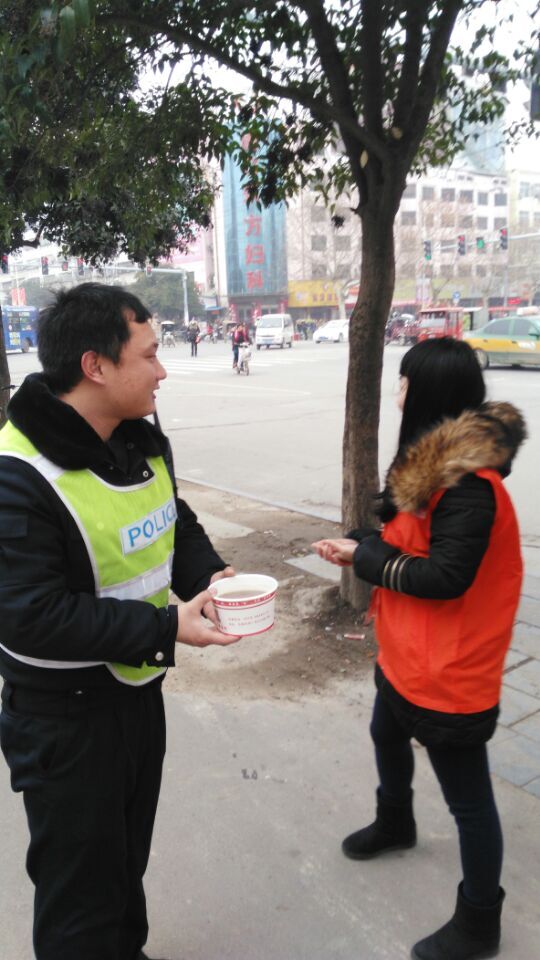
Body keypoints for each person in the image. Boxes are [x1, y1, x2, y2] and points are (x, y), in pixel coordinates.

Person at [0, 283, 242, 960]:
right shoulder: (18, 474)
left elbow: (172, 518)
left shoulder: (136, 438)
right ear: (96, 366)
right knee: (80, 895)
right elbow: (26, 614)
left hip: (136, 693)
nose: (164, 370)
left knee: (126, 857)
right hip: (64, 720)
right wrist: (166, 628)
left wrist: (211, 577)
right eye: (150, 354)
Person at [312, 338, 526, 960]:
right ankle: (396, 820)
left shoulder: (468, 486)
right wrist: (363, 543)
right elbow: (409, 539)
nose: (398, 392)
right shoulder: (431, 466)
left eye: (404, 382)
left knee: (469, 802)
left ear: (428, 392)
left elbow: (446, 575)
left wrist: (368, 559)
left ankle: (479, 922)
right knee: (385, 732)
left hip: (450, 669)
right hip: (407, 652)